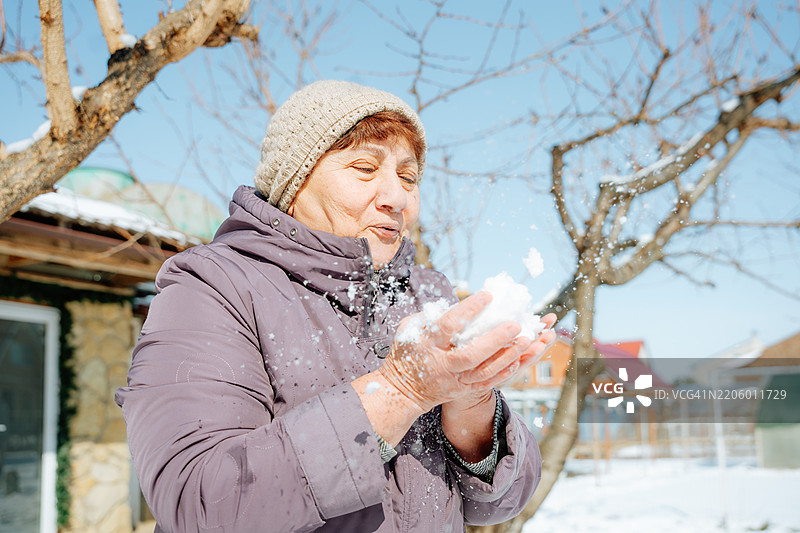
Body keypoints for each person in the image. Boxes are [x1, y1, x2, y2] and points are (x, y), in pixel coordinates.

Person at [116, 80, 557, 533]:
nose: (398, 198)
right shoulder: (214, 286)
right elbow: (199, 505)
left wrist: (472, 399)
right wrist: (402, 391)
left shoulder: (426, 294)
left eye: (408, 177)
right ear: (294, 181)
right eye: (365, 167)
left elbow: (495, 506)